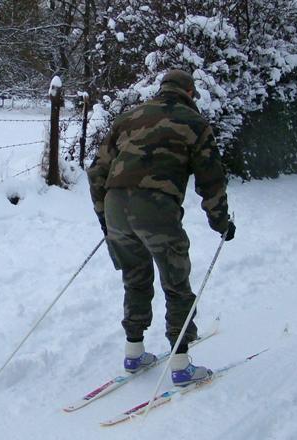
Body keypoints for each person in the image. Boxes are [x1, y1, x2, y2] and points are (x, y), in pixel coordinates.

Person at [87, 69, 235, 387]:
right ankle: (181, 365)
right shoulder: (194, 123)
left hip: (115, 205)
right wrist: (221, 222)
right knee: (175, 282)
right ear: (190, 93)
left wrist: (105, 217)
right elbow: (211, 179)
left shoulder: (129, 117)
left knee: (135, 278)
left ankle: (134, 352)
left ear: (161, 88)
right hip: (156, 208)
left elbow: (98, 170)